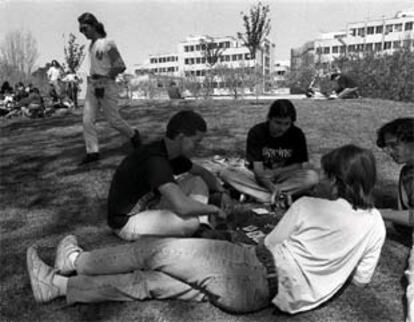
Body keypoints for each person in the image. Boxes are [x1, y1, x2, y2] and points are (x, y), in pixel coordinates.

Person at [27, 144, 386, 314]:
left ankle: (75, 260)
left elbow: (272, 245)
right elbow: (360, 280)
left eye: (324, 176)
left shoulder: (310, 206)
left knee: (156, 252)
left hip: (252, 270)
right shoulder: (376, 225)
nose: (318, 181)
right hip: (259, 301)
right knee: (151, 284)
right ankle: (59, 286)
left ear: (337, 181)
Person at [107, 110, 232, 241]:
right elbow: (182, 207)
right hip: (127, 222)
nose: (198, 147)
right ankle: (197, 228)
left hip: (151, 206)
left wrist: (223, 192)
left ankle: (202, 228)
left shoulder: (168, 152)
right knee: (190, 223)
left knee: (197, 180)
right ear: (181, 137)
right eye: (196, 141)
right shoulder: (155, 160)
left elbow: (201, 172)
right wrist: (214, 210)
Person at [220, 99, 318, 206]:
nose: (282, 128)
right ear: (270, 119)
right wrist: (271, 186)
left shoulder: (297, 134)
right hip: (260, 176)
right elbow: (258, 170)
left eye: (287, 124)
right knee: (227, 173)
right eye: (278, 122)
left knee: (312, 177)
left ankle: (259, 195)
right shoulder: (257, 132)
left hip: (284, 176)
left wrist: (276, 173)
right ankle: (281, 196)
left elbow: (298, 165)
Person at [78, 12, 141, 165]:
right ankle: (92, 152)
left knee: (113, 120)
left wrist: (105, 79)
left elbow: (120, 65)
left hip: (106, 85)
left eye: (85, 28)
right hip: (92, 85)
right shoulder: (91, 45)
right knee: (87, 119)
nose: (83, 32)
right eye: (81, 30)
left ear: (94, 26)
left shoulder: (108, 43)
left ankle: (133, 135)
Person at [376, 118, 414, 322]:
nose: (390, 152)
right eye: (387, 147)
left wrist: (377, 213)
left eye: (394, 145)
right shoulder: (408, 170)